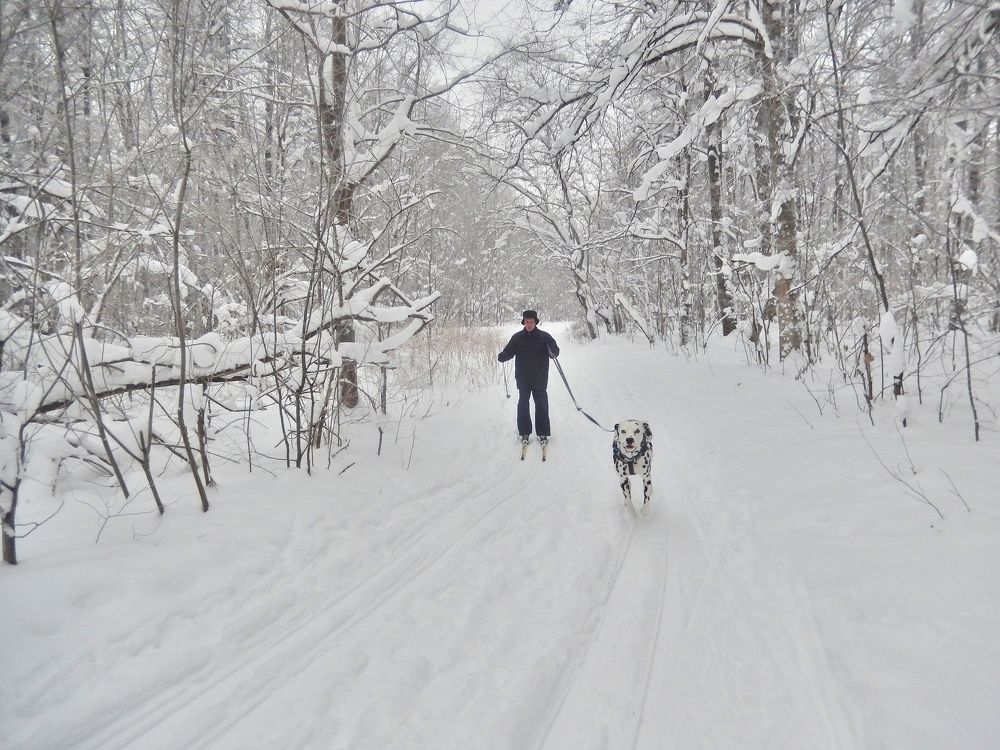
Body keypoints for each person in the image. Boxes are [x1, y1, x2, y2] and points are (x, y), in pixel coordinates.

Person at [497, 309, 560, 442]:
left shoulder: (544, 337)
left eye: (531, 321)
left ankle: (543, 432)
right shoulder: (517, 338)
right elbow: (509, 351)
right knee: (523, 405)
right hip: (523, 377)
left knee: (542, 404)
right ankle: (524, 432)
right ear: (524, 322)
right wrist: (503, 356)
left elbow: (555, 351)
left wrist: (553, 350)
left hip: (540, 377)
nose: (529, 324)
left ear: (535, 322)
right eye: (527, 321)